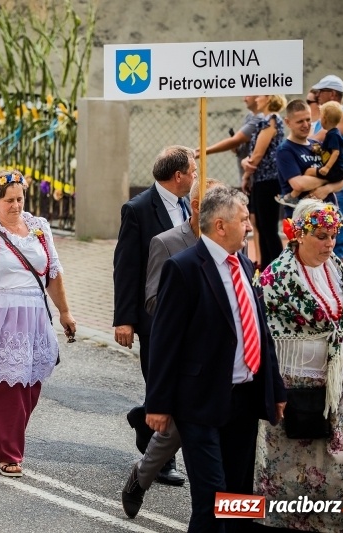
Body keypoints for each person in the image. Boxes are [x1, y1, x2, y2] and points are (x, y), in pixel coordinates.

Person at [146, 186, 286, 533]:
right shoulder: (185, 268)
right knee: (212, 499)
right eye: (243, 219)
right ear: (220, 226)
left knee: (237, 498)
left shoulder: (243, 263)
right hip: (200, 400)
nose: (249, 226)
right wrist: (158, 403)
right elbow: (165, 340)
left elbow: (260, 331)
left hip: (243, 397)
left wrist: (276, 389)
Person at [254, 199, 343, 532]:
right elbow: (263, 332)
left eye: (333, 235)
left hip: (340, 379)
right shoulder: (276, 277)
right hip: (296, 384)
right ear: (299, 236)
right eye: (322, 236)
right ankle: (289, 522)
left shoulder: (335, 266)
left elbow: (342, 317)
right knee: (294, 464)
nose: (329, 243)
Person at [0, 170, 75, 476]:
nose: (16, 205)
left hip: (34, 316)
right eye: (9, 200)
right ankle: (8, 451)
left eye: (20, 198)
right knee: (2, 387)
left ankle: (4, 440)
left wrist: (65, 312)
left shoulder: (39, 228)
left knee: (30, 387)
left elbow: (53, 274)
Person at [123, 178, 224, 518]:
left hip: (224, 366)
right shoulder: (167, 243)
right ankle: (142, 476)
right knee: (175, 431)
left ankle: (142, 475)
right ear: (198, 208)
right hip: (185, 358)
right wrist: (193, 311)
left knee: (184, 431)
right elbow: (152, 298)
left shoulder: (234, 249)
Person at [112, 146, 194, 487]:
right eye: (193, 171)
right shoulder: (139, 209)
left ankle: (141, 417)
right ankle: (162, 462)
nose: (195, 177)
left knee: (178, 385)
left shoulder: (191, 204)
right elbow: (126, 267)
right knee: (162, 386)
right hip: (154, 315)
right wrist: (124, 319)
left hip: (188, 314)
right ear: (178, 176)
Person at [197, 96, 263, 266]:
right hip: (249, 178)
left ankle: (262, 262)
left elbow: (237, 139)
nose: (244, 98)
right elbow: (240, 145)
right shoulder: (250, 116)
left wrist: (205, 150)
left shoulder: (260, 119)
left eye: (249, 94)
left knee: (259, 223)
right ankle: (259, 261)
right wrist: (238, 150)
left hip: (259, 178)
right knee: (255, 220)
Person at [309, 75, 343, 259]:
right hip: (324, 182)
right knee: (320, 235)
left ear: (331, 94)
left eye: (320, 92)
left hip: (341, 186)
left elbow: (315, 139)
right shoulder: (325, 116)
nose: (317, 96)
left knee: (336, 238)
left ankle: (337, 284)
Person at [275, 100, 343, 219]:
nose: (306, 125)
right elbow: (299, 184)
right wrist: (330, 178)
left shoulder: (318, 145)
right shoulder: (285, 150)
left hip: (328, 216)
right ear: (288, 122)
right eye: (300, 121)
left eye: (308, 119)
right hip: (302, 219)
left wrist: (327, 189)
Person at [240, 94, 287, 268]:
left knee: (268, 227)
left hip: (268, 180)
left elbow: (258, 154)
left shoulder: (271, 120)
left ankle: (277, 269)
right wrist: (247, 161)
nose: (255, 98)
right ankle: (268, 267)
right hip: (261, 179)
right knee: (262, 224)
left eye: (259, 95)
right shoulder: (266, 121)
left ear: (268, 97)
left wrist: (246, 170)